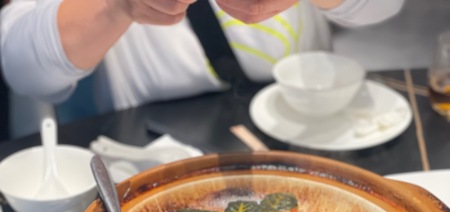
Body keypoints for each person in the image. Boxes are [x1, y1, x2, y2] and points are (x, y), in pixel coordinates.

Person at [0, 0, 405, 117]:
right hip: (156, 146)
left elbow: (386, 7)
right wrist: (117, 6)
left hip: (315, 122)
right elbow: (23, 69)